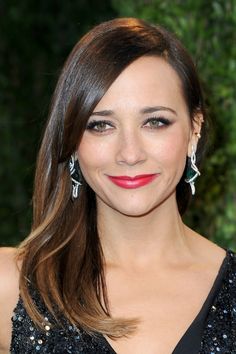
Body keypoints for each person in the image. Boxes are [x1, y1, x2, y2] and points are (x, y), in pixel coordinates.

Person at [0, 17, 235, 354]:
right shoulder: (10, 288)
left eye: (155, 122)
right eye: (100, 125)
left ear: (193, 130)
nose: (130, 153)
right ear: (73, 138)